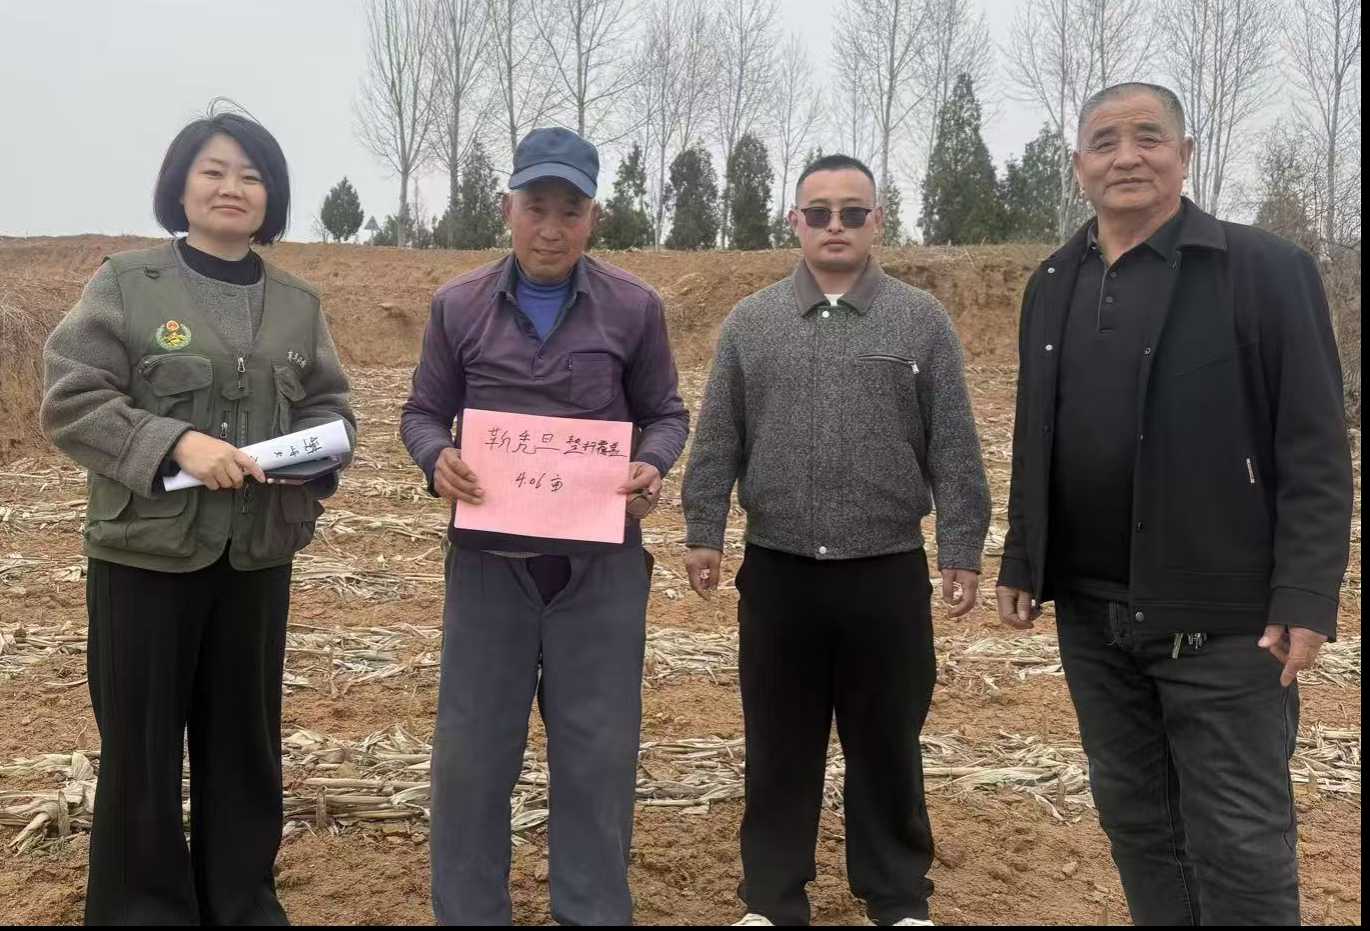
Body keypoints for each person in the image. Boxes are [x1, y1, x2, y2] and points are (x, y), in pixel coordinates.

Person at [995, 82, 1354, 926]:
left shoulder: (1262, 271)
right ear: (1079, 165)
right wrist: (1023, 555)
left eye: (1148, 137)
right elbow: (1039, 428)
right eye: (1105, 141)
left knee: (1239, 837)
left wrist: (1306, 593)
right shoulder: (1053, 281)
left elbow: (1314, 446)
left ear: (1185, 155)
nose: (1127, 156)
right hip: (1094, 618)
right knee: (1139, 822)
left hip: (1226, 622)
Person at [40, 108, 355, 924]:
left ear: (271, 196)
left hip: (255, 556)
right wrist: (175, 442)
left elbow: (330, 406)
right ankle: (144, 910)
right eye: (213, 171)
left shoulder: (298, 304)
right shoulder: (127, 283)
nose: (232, 188)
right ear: (180, 186)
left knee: (245, 747)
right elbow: (72, 397)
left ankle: (242, 904)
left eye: (251, 176)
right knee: (142, 756)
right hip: (145, 555)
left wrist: (319, 447)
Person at [681, 154, 991, 927]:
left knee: (887, 742)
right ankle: (772, 899)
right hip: (779, 571)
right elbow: (718, 437)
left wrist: (961, 546)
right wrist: (704, 528)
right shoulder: (750, 323)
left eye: (853, 212)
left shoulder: (921, 321)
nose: (835, 226)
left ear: (878, 222)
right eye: (818, 212)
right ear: (795, 222)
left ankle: (898, 897)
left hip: (886, 572)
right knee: (779, 744)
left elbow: (954, 444)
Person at [400, 126, 689, 926]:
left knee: (596, 759)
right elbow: (422, 411)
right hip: (489, 569)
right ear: (507, 209)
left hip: (598, 574)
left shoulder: (635, 307)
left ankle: (591, 912)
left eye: (570, 209)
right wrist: (436, 457)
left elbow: (666, 413)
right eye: (536, 207)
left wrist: (650, 465)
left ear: (594, 217)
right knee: (471, 760)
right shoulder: (457, 305)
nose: (551, 228)